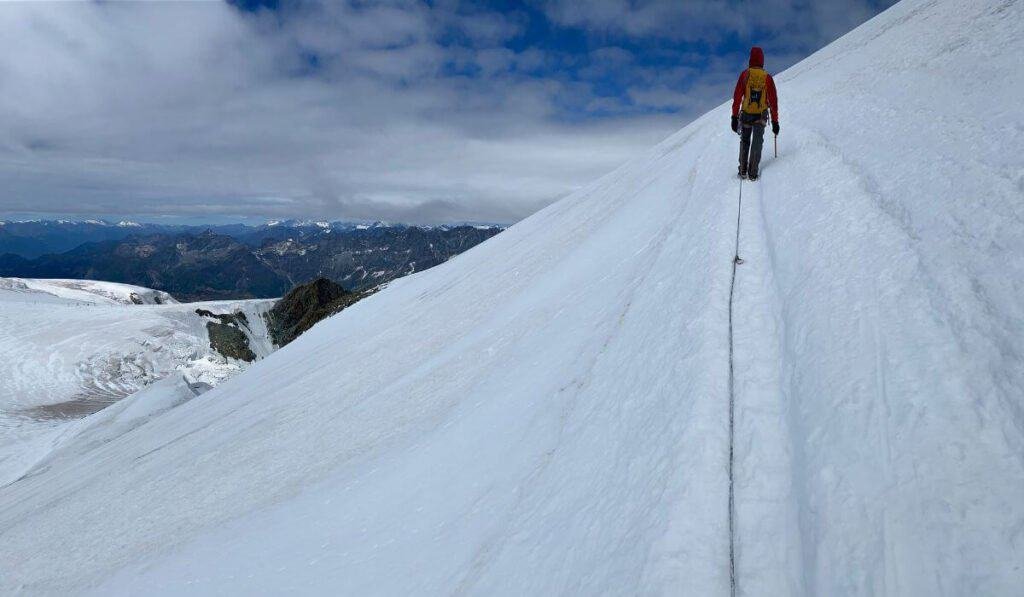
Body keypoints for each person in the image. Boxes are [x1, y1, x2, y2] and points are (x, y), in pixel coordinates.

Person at [730, 46, 779, 181]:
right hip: (761, 115)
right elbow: (773, 101)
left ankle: (743, 170)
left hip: (746, 114)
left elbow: (737, 96)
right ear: (762, 60)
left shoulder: (745, 75)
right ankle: (753, 173)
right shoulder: (767, 77)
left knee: (745, 141)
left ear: (750, 58)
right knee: (757, 142)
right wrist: (775, 121)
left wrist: (734, 116)